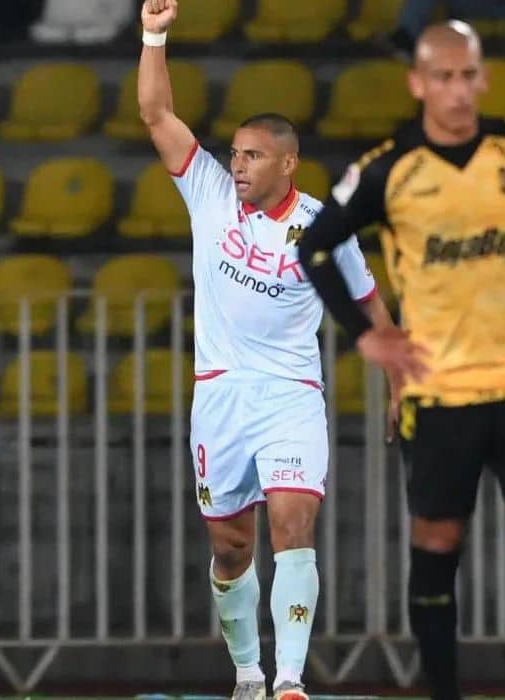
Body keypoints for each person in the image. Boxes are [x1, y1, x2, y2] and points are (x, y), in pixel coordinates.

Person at [298, 21, 505, 700]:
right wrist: (368, 335)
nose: (458, 90)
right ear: (418, 84)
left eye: (468, 75)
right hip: (438, 390)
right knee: (438, 543)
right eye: (443, 77)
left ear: (484, 78)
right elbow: (315, 247)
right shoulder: (390, 168)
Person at [137, 2, 398, 700]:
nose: (237, 165)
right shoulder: (209, 193)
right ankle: (248, 674)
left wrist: (400, 381)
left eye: (251, 155)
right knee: (231, 547)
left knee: (293, 523)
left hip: (290, 394)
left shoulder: (323, 226)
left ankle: (288, 681)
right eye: (234, 154)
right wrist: (154, 35)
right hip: (220, 391)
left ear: (288, 162)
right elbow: (156, 115)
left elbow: (368, 302)